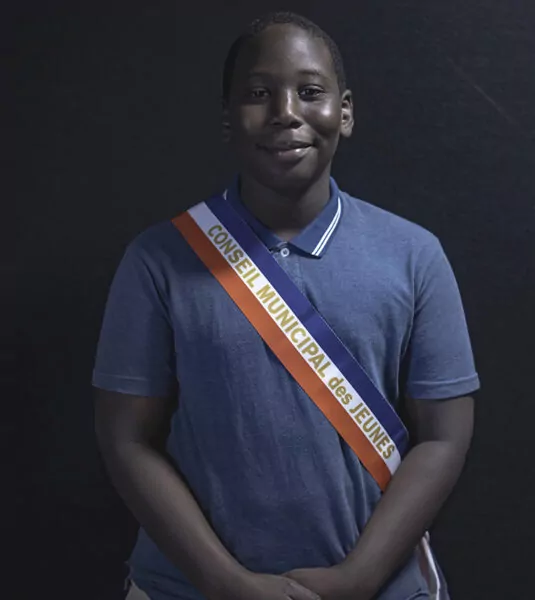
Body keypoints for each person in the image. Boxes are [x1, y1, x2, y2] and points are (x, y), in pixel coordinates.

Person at [93, 11, 480, 600]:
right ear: (228, 118)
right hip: (189, 589)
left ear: (344, 113)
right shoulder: (157, 259)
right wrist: (226, 583)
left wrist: (359, 577)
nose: (286, 112)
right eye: (258, 94)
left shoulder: (413, 254)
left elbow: (444, 438)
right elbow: (126, 438)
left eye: (310, 92)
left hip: (379, 588)